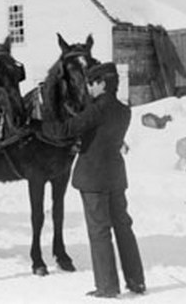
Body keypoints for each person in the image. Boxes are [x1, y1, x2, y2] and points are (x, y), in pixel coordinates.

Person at [43, 62, 146, 299]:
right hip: (116, 177)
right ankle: (136, 281)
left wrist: (40, 124)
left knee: (99, 231)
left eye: (91, 83)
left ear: (102, 83)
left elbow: (65, 129)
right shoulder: (123, 110)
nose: (88, 87)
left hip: (93, 180)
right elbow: (97, 134)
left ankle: (107, 287)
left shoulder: (97, 110)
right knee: (123, 228)